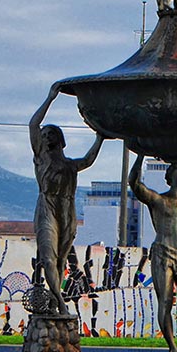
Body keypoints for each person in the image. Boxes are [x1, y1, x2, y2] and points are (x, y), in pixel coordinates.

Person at [29, 83, 105, 315]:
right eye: (43, 135)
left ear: (60, 140)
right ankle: (61, 304)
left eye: (50, 133)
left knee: (61, 260)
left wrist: (100, 136)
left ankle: (53, 302)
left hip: (67, 209)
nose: (44, 136)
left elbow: (89, 159)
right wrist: (50, 98)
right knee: (49, 258)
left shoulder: (71, 165)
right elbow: (33, 124)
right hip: (47, 208)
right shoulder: (40, 157)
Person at [130, 154, 177, 352]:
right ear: (169, 177)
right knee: (165, 302)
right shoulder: (160, 200)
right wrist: (139, 155)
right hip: (165, 254)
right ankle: (172, 347)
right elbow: (135, 185)